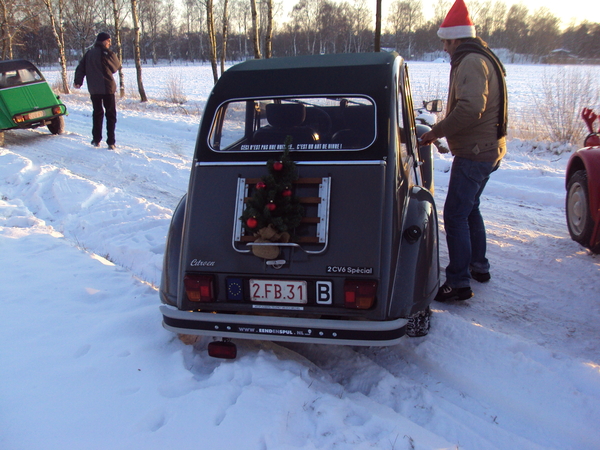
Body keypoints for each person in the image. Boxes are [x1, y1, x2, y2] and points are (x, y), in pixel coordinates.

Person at [420, 0, 508, 302]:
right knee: (470, 208)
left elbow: (470, 108)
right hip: (489, 148)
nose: (444, 47)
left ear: (456, 38)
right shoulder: (483, 56)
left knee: (455, 214)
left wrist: (436, 131)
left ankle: (458, 282)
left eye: (445, 41)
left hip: (475, 151)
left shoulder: (470, 61)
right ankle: (478, 266)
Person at [74, 32, 121, 150]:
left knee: (97, 113)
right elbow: (116, 67)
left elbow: (80, 68)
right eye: (109, 41)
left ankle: (96, 139)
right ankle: (111, 142)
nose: (110, 43)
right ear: (104, 41)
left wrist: (78, 81)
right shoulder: (107, 53)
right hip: (107, 89)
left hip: (94, 89)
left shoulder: (88, 54)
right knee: (110, 115)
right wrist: (110, 54)